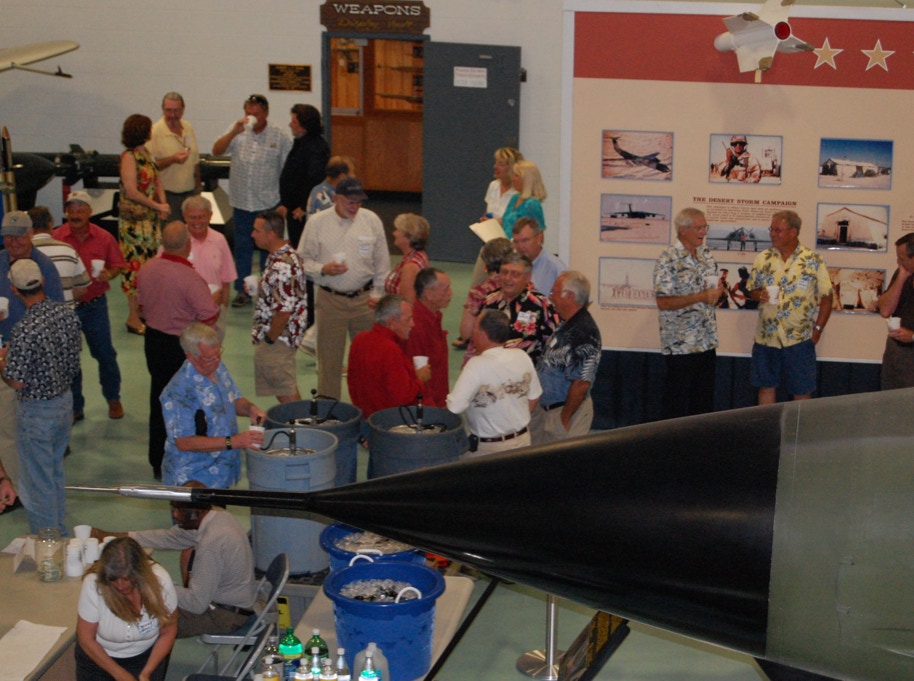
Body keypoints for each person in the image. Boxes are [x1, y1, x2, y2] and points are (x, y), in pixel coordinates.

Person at [91, 483, 258, 639]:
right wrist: (114, 537)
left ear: (198, 511)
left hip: (223, 616)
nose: (175, 515)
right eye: (174, 509)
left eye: (180, 510)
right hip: (221, 604)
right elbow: (170, 537)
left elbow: (196, 604)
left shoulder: (211, 544)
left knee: (143, 623)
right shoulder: (217, 516)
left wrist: (153, 579)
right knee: (144, 599)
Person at [0, 258, 80, 534]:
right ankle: (59, 532)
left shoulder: (25, 328)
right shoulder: (67, 314)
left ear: (14, 289)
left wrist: (3, 362)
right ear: (42, 281)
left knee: (37, 483)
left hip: (37, 412)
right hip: (64, 403)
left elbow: (16, 381)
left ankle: (48, 541)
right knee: (54, 473)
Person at [137, 222, 219, 480]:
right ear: (187, 244)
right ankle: (194, 458)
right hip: (182, 346)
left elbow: (141, 307)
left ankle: (158, 459)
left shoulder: (147, 269)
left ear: (163, 243)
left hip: (153, 341)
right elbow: (209, 315)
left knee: (159, 397)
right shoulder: (190, 278)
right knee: (193, 402)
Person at [299, 177, 390, 399]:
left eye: (359, 202)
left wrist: (378, 294)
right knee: (329, 362)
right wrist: (323, 269)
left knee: (368, 360)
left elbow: (382, 262)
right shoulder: (317, 223)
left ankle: (368, 408)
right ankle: (329, 411)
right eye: (350, 202)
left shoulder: (371, 220)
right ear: (336, 198)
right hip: (330, 300)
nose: (355, 207)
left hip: (365, 301)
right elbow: (302, 261)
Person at [0, 211, 64, 511]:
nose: (13, 242)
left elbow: (53, 312)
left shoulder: (45, 267)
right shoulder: (0, 261)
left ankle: (18, 489)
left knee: (13, 428)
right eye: (7, 237)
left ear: (30, 235)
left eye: (19, 236)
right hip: (5, 350)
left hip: (26, 359)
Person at [160, 324, 266, 488]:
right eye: (210, 358)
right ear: (190, 356)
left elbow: (232, 399)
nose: (217, 361)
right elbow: (184, 442)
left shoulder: (217, 368)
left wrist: (250, 409)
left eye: (218, 354)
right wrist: (234, 441)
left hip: (222, 470)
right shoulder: (178, 391)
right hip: (194, 476)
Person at [212, 94, 292, 308]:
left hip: (268, 203)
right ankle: (242, 290)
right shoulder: (237, 130)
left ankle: (267, 290)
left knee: (268, 249)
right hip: (241, 202)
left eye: (256, 114)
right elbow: (217, 151)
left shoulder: (279, 135)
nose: (252, 118)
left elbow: (288, 171)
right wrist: (233, 132)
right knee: (242, 249)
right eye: (248, 113)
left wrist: (285, 202)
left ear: (266, 113)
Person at [55, 191, 128, 423]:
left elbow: (118, 265)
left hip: (95, 306)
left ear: (90, 212)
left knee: (105, 354)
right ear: (66, 212)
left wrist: (109, 274)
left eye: (80, 211)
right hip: (67, 308)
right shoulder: (57, 237)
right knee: (69, 358)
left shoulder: (104, 237)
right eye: (71, 211)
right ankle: (75, 406)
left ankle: (113, 398)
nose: (75, 215)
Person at [747, 210, 833, 404]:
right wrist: (759, 295)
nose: (772, 234)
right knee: (766, 387)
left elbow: (827, 297)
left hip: (799, 339)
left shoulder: (813, 260)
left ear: (793, 232)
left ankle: (800, 426)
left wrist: (818, 330)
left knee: (802, 390)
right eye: (771, 229)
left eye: (778, 230)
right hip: (766, 337)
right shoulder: (763, 258)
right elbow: (752, 290)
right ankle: (767, 424)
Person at [76, 537, 177, 681]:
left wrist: (146, 673)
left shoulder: (160, 579)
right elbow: (86, 639)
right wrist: (122, 675)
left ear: (139, 573)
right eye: (113, 579)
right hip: (99, 661)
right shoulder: (93, 583)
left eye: (126, 579)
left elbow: (168, 630)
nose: (120, 585)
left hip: (148, 659)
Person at [653, 208, 722, 419]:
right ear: (683, 229)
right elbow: (663, 302)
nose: (704, 232)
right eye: (699, 228)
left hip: (706, 341)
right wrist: (700, 297)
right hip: (681, 344)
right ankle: (673, 440)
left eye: (705, 227)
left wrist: (719, 292)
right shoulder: (668, 258)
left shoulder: (706, 254)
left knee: (703, 404)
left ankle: (700, 440)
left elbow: (713, 292)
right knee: (676, 404)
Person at [447, 309, 542, 458]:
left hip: (490, 448)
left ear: (483, 334)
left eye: (475, 328)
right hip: (522, 440)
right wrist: (513, 421)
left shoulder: (476, 364)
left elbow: (455, 406)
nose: (472, 333)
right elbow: (534, 396)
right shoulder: (521, 356)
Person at [531, 271, 601, 444]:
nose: (550, 297)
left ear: (569, 296)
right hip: (547, 410)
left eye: (554, 292)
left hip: (565, 412)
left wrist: (564, 419)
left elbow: (581, 383)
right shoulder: (568, 323)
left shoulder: (584, 332)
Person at [119, 113, 170, 335]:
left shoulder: (146, 154)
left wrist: (163, 203)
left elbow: (157, 180)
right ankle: (132, 316)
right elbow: (131, 191)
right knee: (133, 268)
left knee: (149, 266)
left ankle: (142, 310)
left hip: (149, 222)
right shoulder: (129, 157)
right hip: (134, 224)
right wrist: (156, 205)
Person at [251, 210, 307, 404]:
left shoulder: (281, 266)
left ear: (271, 234)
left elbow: (284, 312)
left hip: (279, 336)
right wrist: (262, 286)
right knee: (280, 385)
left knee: (284, 389)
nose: (252, 234)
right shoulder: (284, 254)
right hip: (284, 333)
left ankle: (299, 421)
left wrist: (269, 339)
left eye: (257, 230)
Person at [467, 252, 559, 365]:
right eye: (504, 272)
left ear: (527, 278)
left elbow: (552, 346)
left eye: (515, 274)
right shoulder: (489, 300)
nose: (508, 278)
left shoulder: (542, 305)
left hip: (525, 371)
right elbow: (477, 337)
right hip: (491, 368)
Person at [347, 294, 430, 418]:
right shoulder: (390, 349)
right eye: (408, 319)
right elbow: (403, 397)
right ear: (391, 322)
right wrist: (420, 380)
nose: (413, 324)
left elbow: (352, 383)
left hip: (365, 416)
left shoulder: (359, 340)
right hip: (390, 420)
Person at [182, 195, 236, 338]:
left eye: (202, 217)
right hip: (184, 313)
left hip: (214, 312)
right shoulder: (176, 239)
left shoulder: (219, 240)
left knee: (212, 349)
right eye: (193, 217)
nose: (197, 222)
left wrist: (222, 311)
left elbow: (226, 280)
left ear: (210, 216)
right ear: (184, 216)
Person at [280, 104, 330, 250]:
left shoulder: (316, 148)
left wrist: (304, 207)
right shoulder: (301, 143)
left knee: (304, 249)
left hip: (303, 211)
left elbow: (315, 179)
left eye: (294, 122)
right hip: (294, 208)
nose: (290, 125)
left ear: (305, 126)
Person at [148, 92, 201, 221]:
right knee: (171, 232)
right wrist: (172, 159)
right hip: (166, 197)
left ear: (183, 110)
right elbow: (150, 168)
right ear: (162, 109)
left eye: (176, 110)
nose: (172, 115)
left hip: (190, 195)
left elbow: (195, 161)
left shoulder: (188, 127)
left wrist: (198, 189)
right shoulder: (154, 132)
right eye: (168, 110)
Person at [455, 237, 513, 351]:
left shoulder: (478, 292)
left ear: (485, 262)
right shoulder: (519, 287)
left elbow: (465, 333)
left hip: (482, 352)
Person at [405, 268, 452, 406]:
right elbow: (419, 375)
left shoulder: (434, 316)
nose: (451, 293)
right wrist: (433, 409)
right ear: (428, 294)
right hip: (428, 405)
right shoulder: (416, 327)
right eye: (446, 289)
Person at [28, 205, 89, 305]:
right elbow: (82, 289)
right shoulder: (69, 250)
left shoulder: (22, 252)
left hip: (33, 312)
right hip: (65, 312)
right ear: (50, 224)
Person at [877, 233, 914, 390]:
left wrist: (913, 336)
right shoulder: (902, 273)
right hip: (896, 352)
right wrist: (901, 277)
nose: (898, 262)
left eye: (902, 258)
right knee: (890, 399)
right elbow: (885, 310)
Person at [512, 216, 566, 294]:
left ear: (539, 238)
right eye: (516, 242)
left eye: (525, 240)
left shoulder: (556, 269)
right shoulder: (511, 267)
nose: (520, 246)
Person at [384, 213, 429, 303]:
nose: (394, 233)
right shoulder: (418, 255)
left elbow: (407, 305)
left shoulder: (410, 267)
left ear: (408, 238)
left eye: (397, 230)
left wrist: (381, 303)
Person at [500, 160, 547, 238]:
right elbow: (507, 222)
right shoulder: (515, 198)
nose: (513, 179)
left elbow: (539, 235)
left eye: (516, 175)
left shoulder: (532, 204)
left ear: (527, 179)